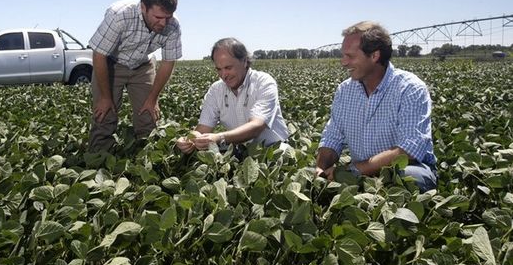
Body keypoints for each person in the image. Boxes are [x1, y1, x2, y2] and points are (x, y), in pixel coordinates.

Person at [316, 21, 437, 192]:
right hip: (360, 171)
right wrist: (321, 167)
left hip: (400, 169)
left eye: (350, 56)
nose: (343, 62)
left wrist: (354, 170)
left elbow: (409, 149)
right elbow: (332, 137)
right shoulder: (345, 90)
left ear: (374, 56)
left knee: (410, 177)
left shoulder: (410, 88)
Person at [88, 0, 182, 153]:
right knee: (105, 115)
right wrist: (105, 97)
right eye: (159, 17)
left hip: (143, 65)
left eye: (168, 17)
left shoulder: (173, 25)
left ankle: (145, 162)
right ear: (143, 7)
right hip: (111, 64)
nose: (163, 23)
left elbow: (168, 62)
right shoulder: (120, 15)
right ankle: (97, 161)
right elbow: (99, 55)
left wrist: (153, 99)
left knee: (148, 116)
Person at [176, 38, 289, 155]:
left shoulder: (263, 82)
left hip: (274, 151)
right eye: (219, 69)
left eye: (228, 68)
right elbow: (203, 128)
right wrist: (189, 140)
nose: (223, 75)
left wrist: (220, 138)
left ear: (244, 61)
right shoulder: (216, 90)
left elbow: (256, 126)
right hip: (240, 152)